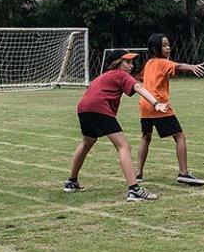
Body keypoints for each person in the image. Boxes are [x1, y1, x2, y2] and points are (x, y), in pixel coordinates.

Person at [64, 49, 168, 202]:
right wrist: (156, 103)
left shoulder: (102, 76)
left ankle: (71, 182)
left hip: (83, 108)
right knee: (123, 146)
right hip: (99, 108)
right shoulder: (121, 74)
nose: (131, 65)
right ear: (117, 63)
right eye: (127, 62)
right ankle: (134, 189)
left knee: (87, 142)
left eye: (132, 62)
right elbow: (139, 87)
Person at [136, 33, 204, 186]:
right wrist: (192, 67)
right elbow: (178, 66)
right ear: (155, 48)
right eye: (164, 45)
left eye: (168, 45)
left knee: (146, 137)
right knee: (179, 136)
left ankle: (139, 172)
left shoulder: (148, 63)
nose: (168, 48)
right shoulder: (162, 62)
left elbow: (141, 77)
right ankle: (183, 173)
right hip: (159, 105)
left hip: (145, 105)